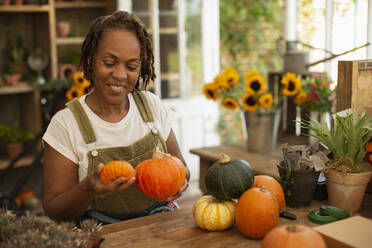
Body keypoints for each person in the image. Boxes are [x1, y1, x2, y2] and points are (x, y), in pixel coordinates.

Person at [42, 10, 190, 224]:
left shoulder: (151, 106)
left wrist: (179, 182)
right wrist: (87, 188)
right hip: (102, 232)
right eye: (110, 63)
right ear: (92, 61)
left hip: (161, 224)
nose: (120, 75)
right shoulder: (66, 124)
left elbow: (182, 169)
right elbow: (55, 209)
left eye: (131, 67)